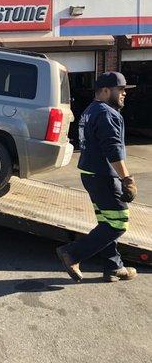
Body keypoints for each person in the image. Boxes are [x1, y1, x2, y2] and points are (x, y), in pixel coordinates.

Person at [56, 72, 138, 283]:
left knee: (106, 220)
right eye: (120, 90)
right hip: (103, 176)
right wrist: (127, 179)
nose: (124, 94)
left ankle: (113, 266)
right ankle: (73, 254)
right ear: (105, 91)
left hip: (90, 174)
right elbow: (113, 150)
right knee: (119, 223)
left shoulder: (90, 111)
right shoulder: (106, 113)